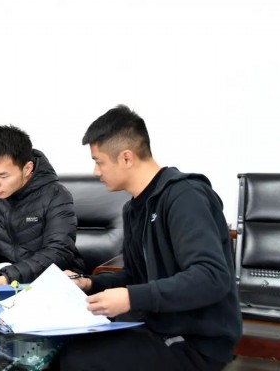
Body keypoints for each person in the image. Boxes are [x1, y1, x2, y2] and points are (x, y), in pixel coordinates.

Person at [60, 105, 242, 370]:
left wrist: (131, 298)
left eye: (99, 162)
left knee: (79, 360)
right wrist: (89, 283)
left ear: (126, 158)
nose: (96, 172)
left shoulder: (184, 197)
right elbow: (136, 277)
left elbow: (211, 276)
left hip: (196, 342)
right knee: (67, 347)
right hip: (158, 324)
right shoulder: (133, 208)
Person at [0, 125, 86, 285]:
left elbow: (58, 253)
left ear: (27, 168)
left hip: (52, 283)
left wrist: (8, 278)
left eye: (3, 176)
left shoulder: (57, 195)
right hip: (0, 282)